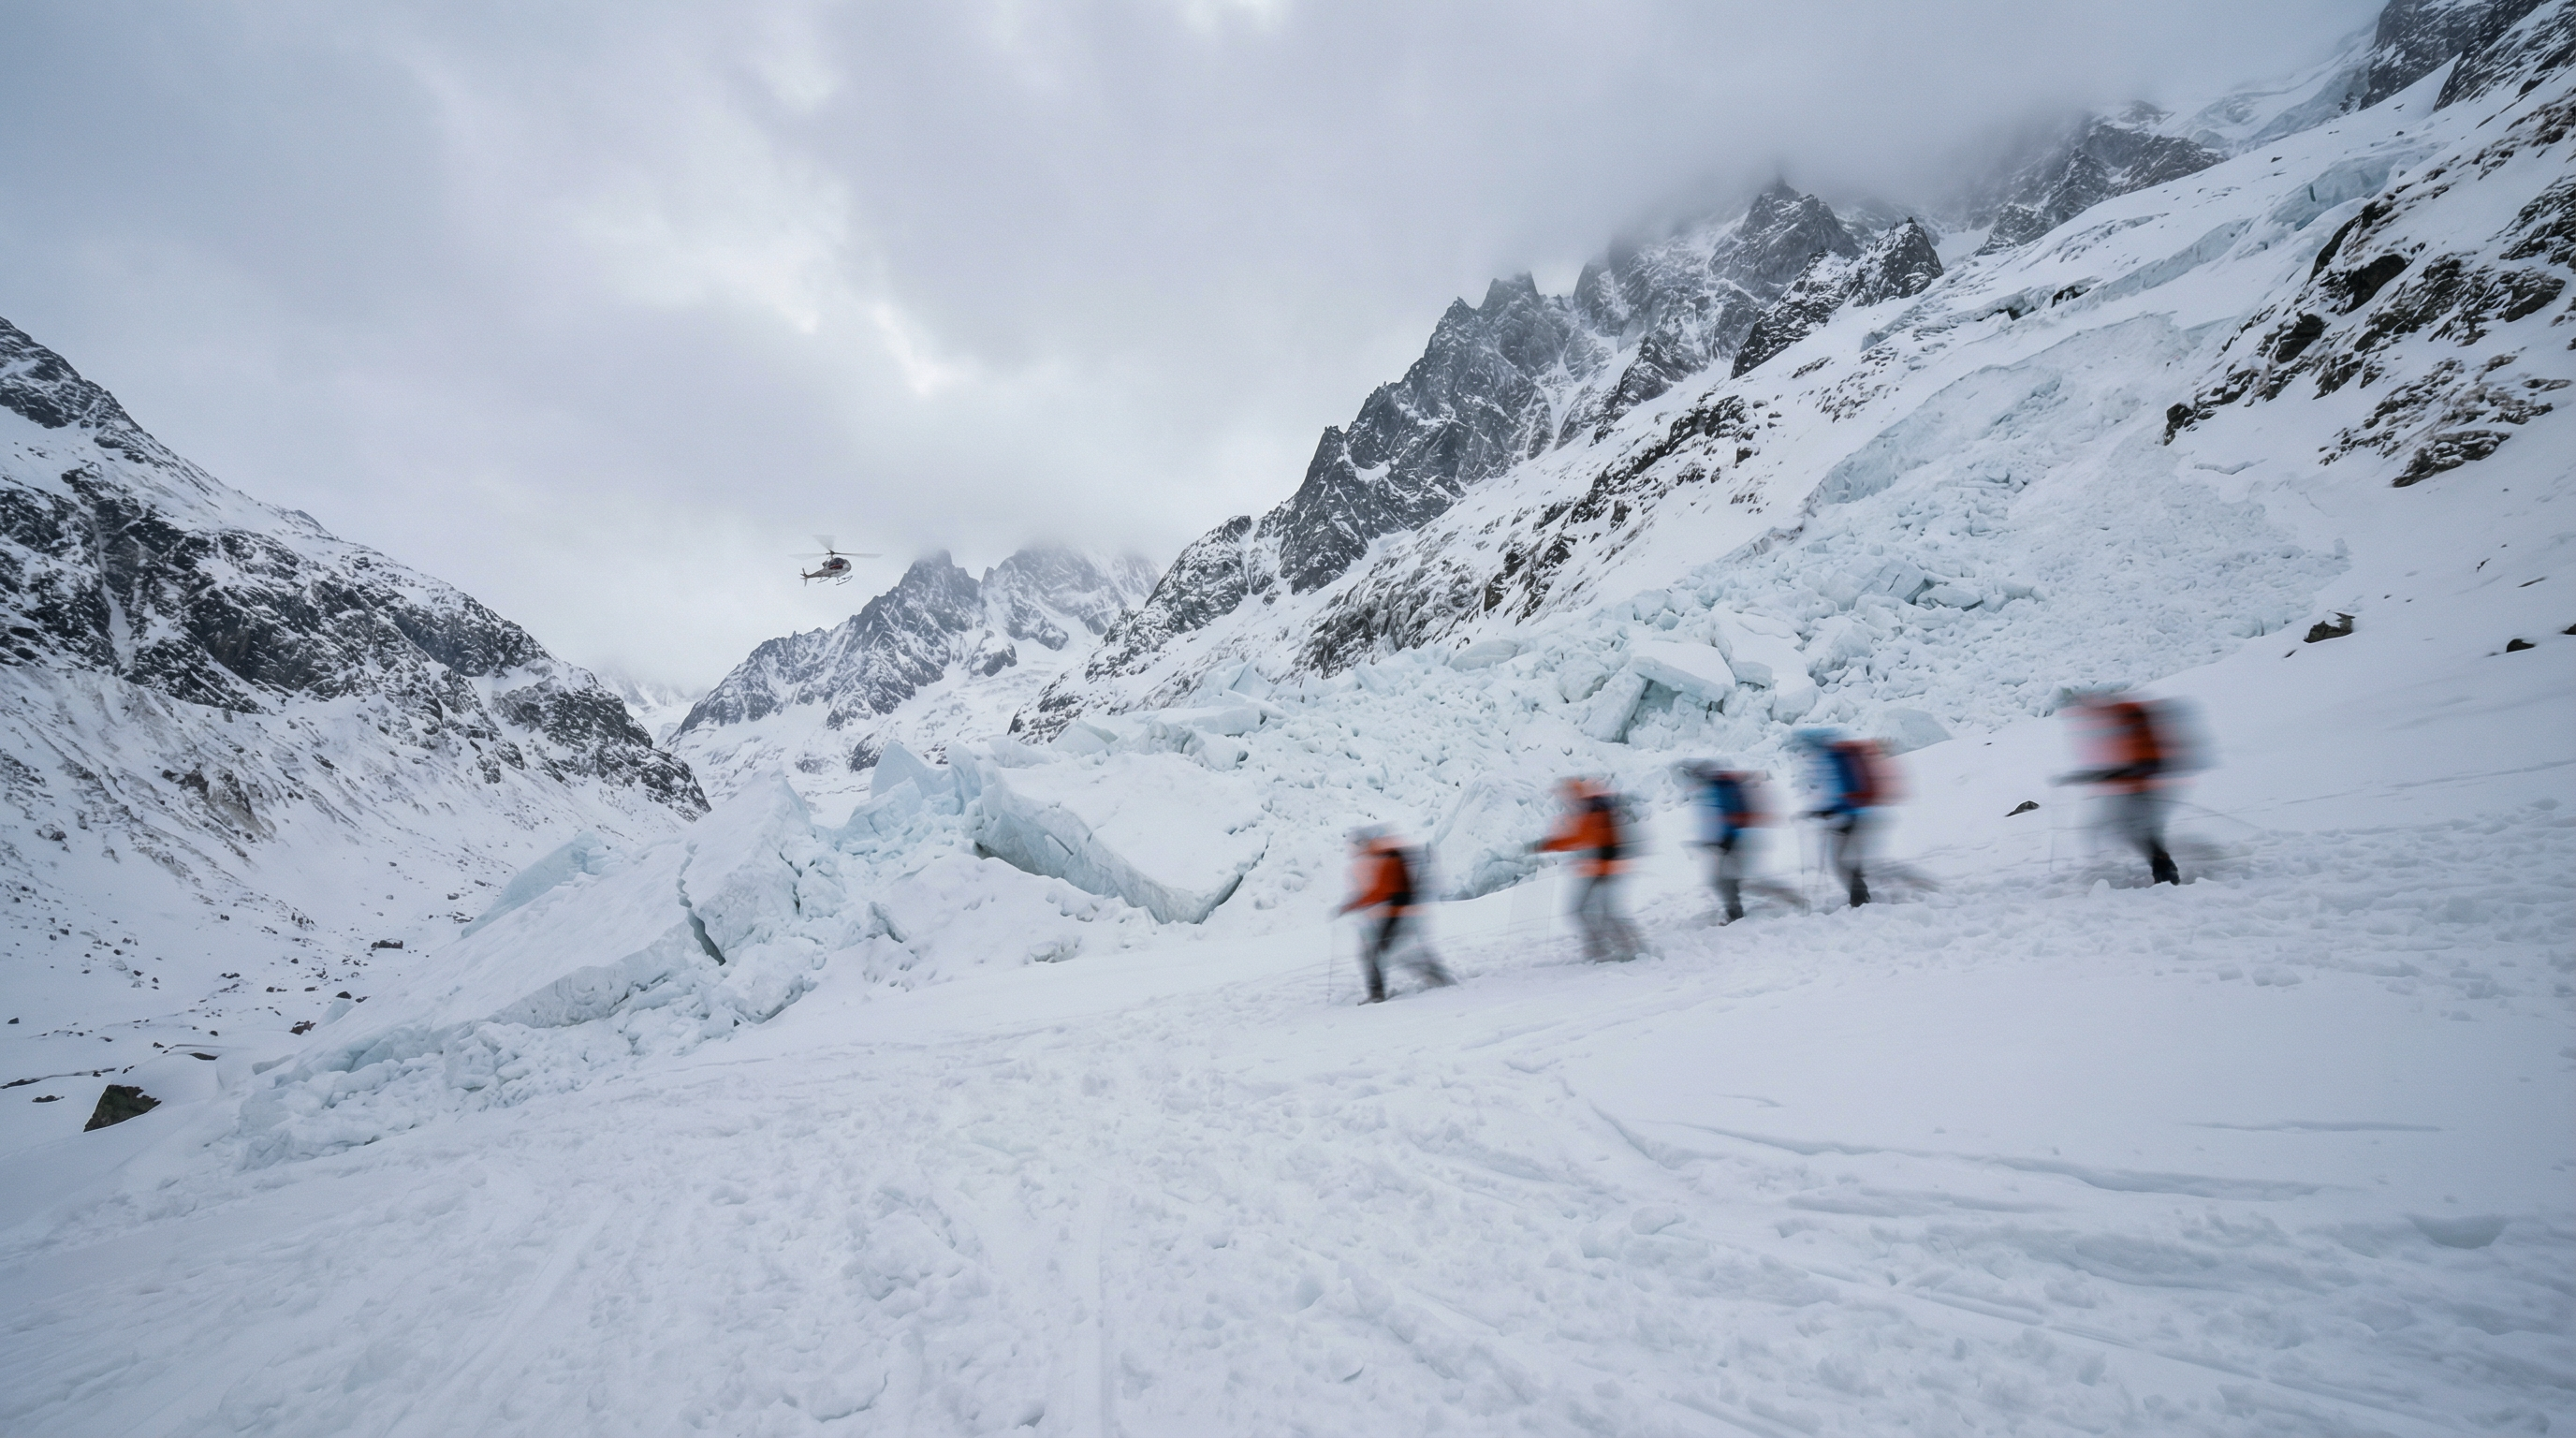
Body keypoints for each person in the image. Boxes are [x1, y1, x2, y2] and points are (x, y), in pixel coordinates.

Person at [2058, 693, 2185, 886]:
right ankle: (2165, 870)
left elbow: (2129, 765)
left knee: (2136, 830)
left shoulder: (2126, 719)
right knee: (2138, 829)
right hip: (2139, 785)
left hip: (2141, 786)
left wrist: (2091, 776)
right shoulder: (2122, 719)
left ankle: (2166, 873)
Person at [1338, 829, 1454, 1003]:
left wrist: (1352, 905)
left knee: (1374, 953)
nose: (1354, 851)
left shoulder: (1385, 857)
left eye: (1355, 845)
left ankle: (1377, 994)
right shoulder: (1383, 854)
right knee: (1393, 952)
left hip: (1398, 913)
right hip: (1401, 913)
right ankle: (1439, 977)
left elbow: (1382, 892)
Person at [1532, 779, 1642, 961]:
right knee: (1601, 912)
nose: (1565, 801)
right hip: (1603, 869)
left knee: (1587, 911)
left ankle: (1617, 949)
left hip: (1605, 869)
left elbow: (1580, 838)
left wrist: (1549, 844)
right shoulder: (1594, 810)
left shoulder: (1593, 812)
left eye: (1566, 796)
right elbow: (1583, 838)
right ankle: (1619, 948)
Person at [1794, 729, 1893, 907]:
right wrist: (1820, 811)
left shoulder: (1833, 759)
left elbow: (1840, 792)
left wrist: (1827, 811)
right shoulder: (1832, 758)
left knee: (1841, 863)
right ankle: (1860, 898)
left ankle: (1861, 900)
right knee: (1847, 861)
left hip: (1851, 818)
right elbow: (1833, 793)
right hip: (1852, 817)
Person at [1685, 761, 1763, 921]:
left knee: (1723, 880)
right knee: (1725, 879)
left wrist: (1727, 839)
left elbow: (1732, 815)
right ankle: (1735, 911)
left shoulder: (1722, 788)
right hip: (1728, 842)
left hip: (1735, 842)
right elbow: (1713, 819)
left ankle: (1736, 914)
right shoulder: (1713, 789)